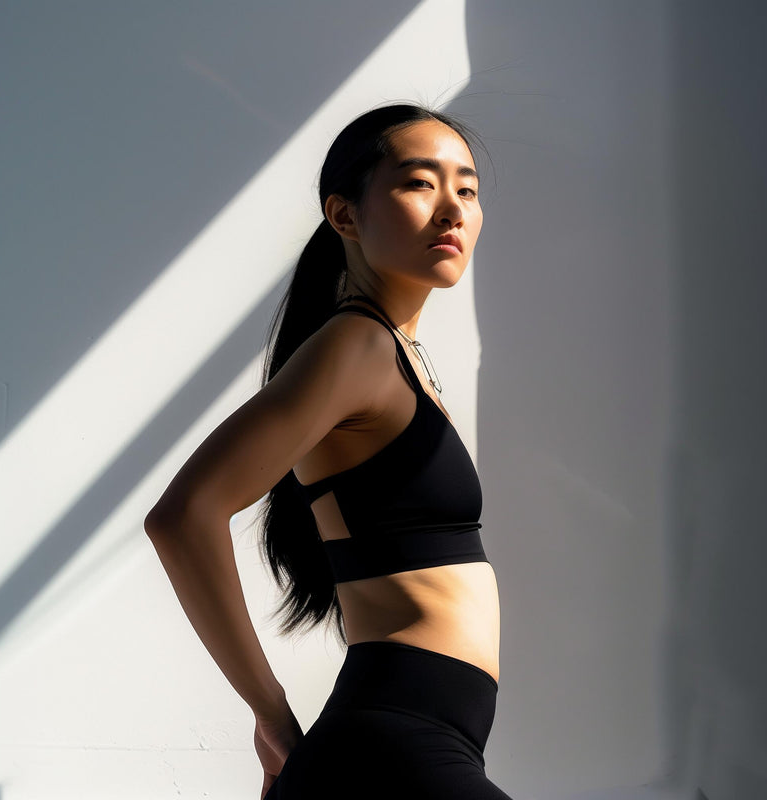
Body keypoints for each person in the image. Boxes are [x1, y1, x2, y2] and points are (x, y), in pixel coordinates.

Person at [145, 103, 511, 799]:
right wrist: (271, 714)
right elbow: (183, 516)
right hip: (392, 749)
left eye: (466, 188)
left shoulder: (393, 351)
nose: (452, 210)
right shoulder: (357, 345)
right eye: (418, 183)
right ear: (344, 215)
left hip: (421, 742)